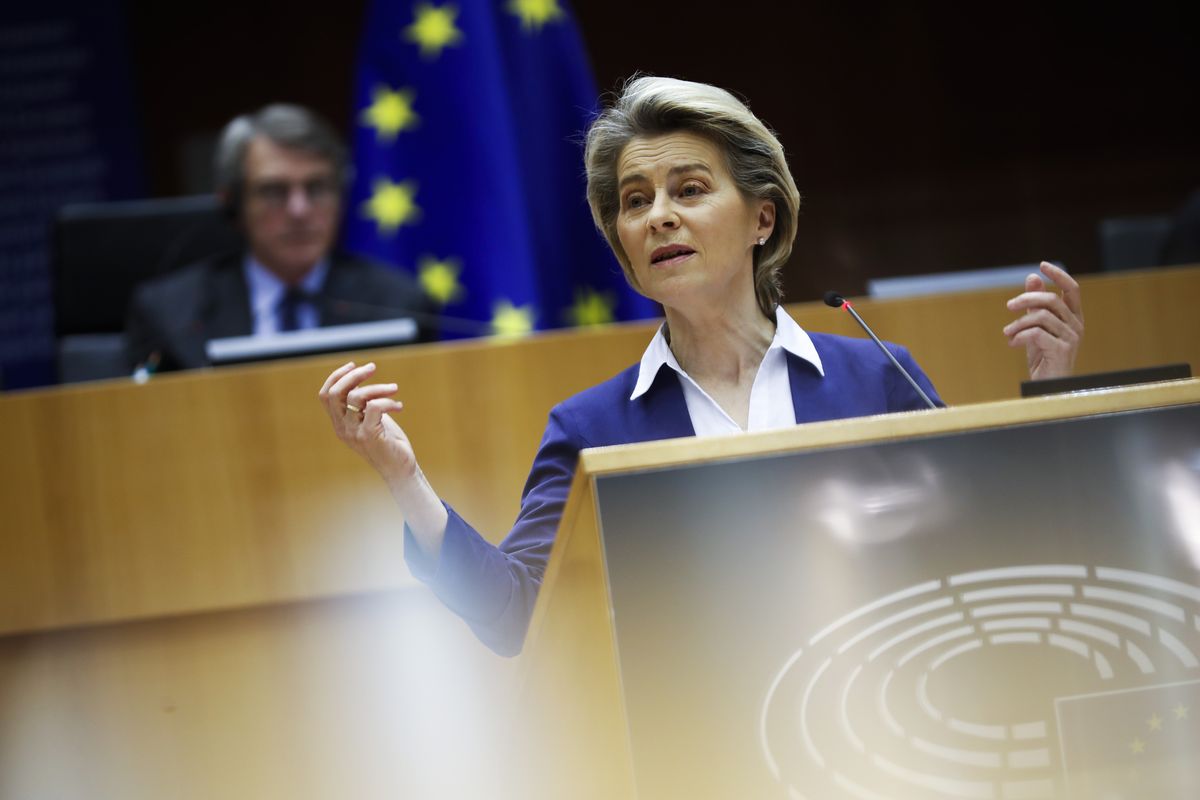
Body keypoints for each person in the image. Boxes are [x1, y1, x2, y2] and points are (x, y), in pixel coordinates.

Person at [318, 77, 1085, 656]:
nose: (658, 215)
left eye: (688, 190)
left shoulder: (877, 377)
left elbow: (994, 557)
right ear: (625, 247)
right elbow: (513, 615)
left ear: (762, 217)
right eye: (635, 200)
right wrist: (401, 476)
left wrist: (1051, 396)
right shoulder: (593, 426)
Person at [126, 104, 436, 372]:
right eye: (274, 191)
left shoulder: (400, 303)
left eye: (317, 188)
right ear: (233, 203)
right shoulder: (170, 313)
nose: (299, 210)